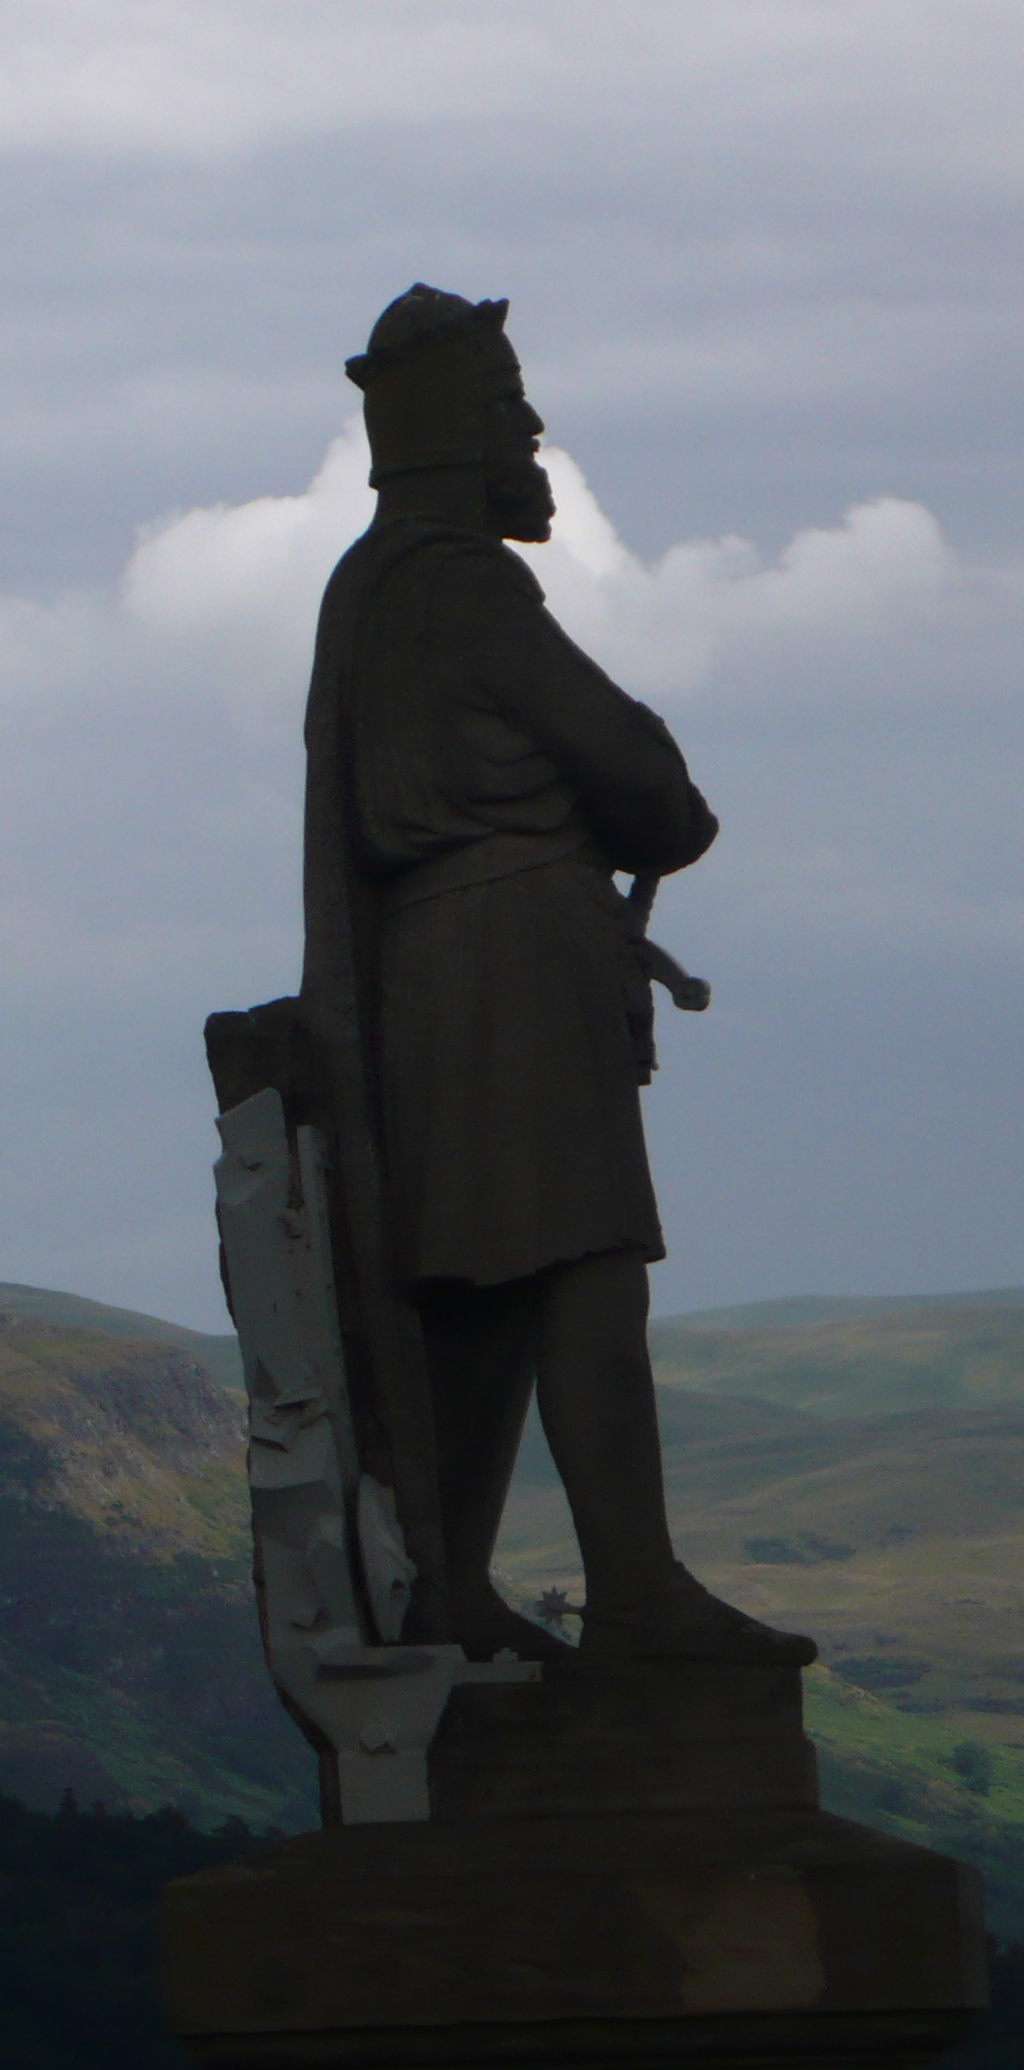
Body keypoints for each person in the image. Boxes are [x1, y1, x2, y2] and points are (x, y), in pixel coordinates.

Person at [307, 285, 812, 1667]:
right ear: (468, 434)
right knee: (584, 1260)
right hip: (514, 954)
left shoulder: (369, 588)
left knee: (482, 1282)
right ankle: (636, 1588)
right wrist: (655, 795)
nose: (532, 429)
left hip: (434, 971)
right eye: (510, 405)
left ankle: (456, 1581)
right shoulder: (463, 582)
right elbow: (638, 772)